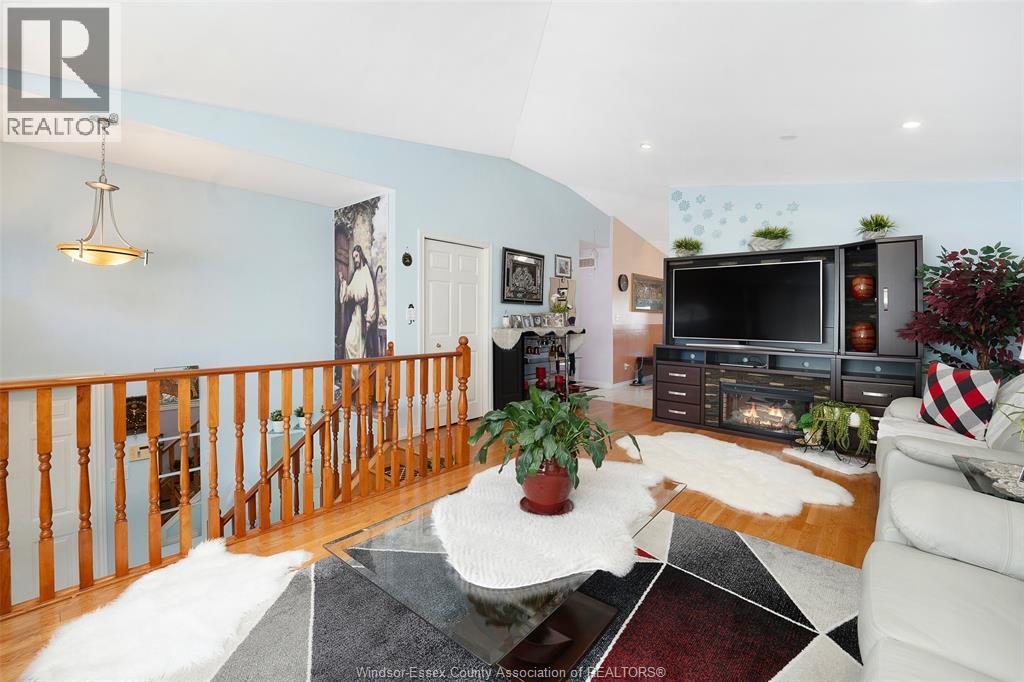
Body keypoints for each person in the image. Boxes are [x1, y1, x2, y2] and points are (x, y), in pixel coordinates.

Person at [338, 244, 378, 360]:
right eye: (353, 257)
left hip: (363, 313)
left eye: (356, 256)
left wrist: (370, 316)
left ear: (360, 256)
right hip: (356, 313)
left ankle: (360, 375)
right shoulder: (356, 274)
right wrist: (343, 283)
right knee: (349, 342)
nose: (355, 259)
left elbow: (371, 295)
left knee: (361, 346)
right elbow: (349, 292)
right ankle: (353, 375)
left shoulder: (366, 272)